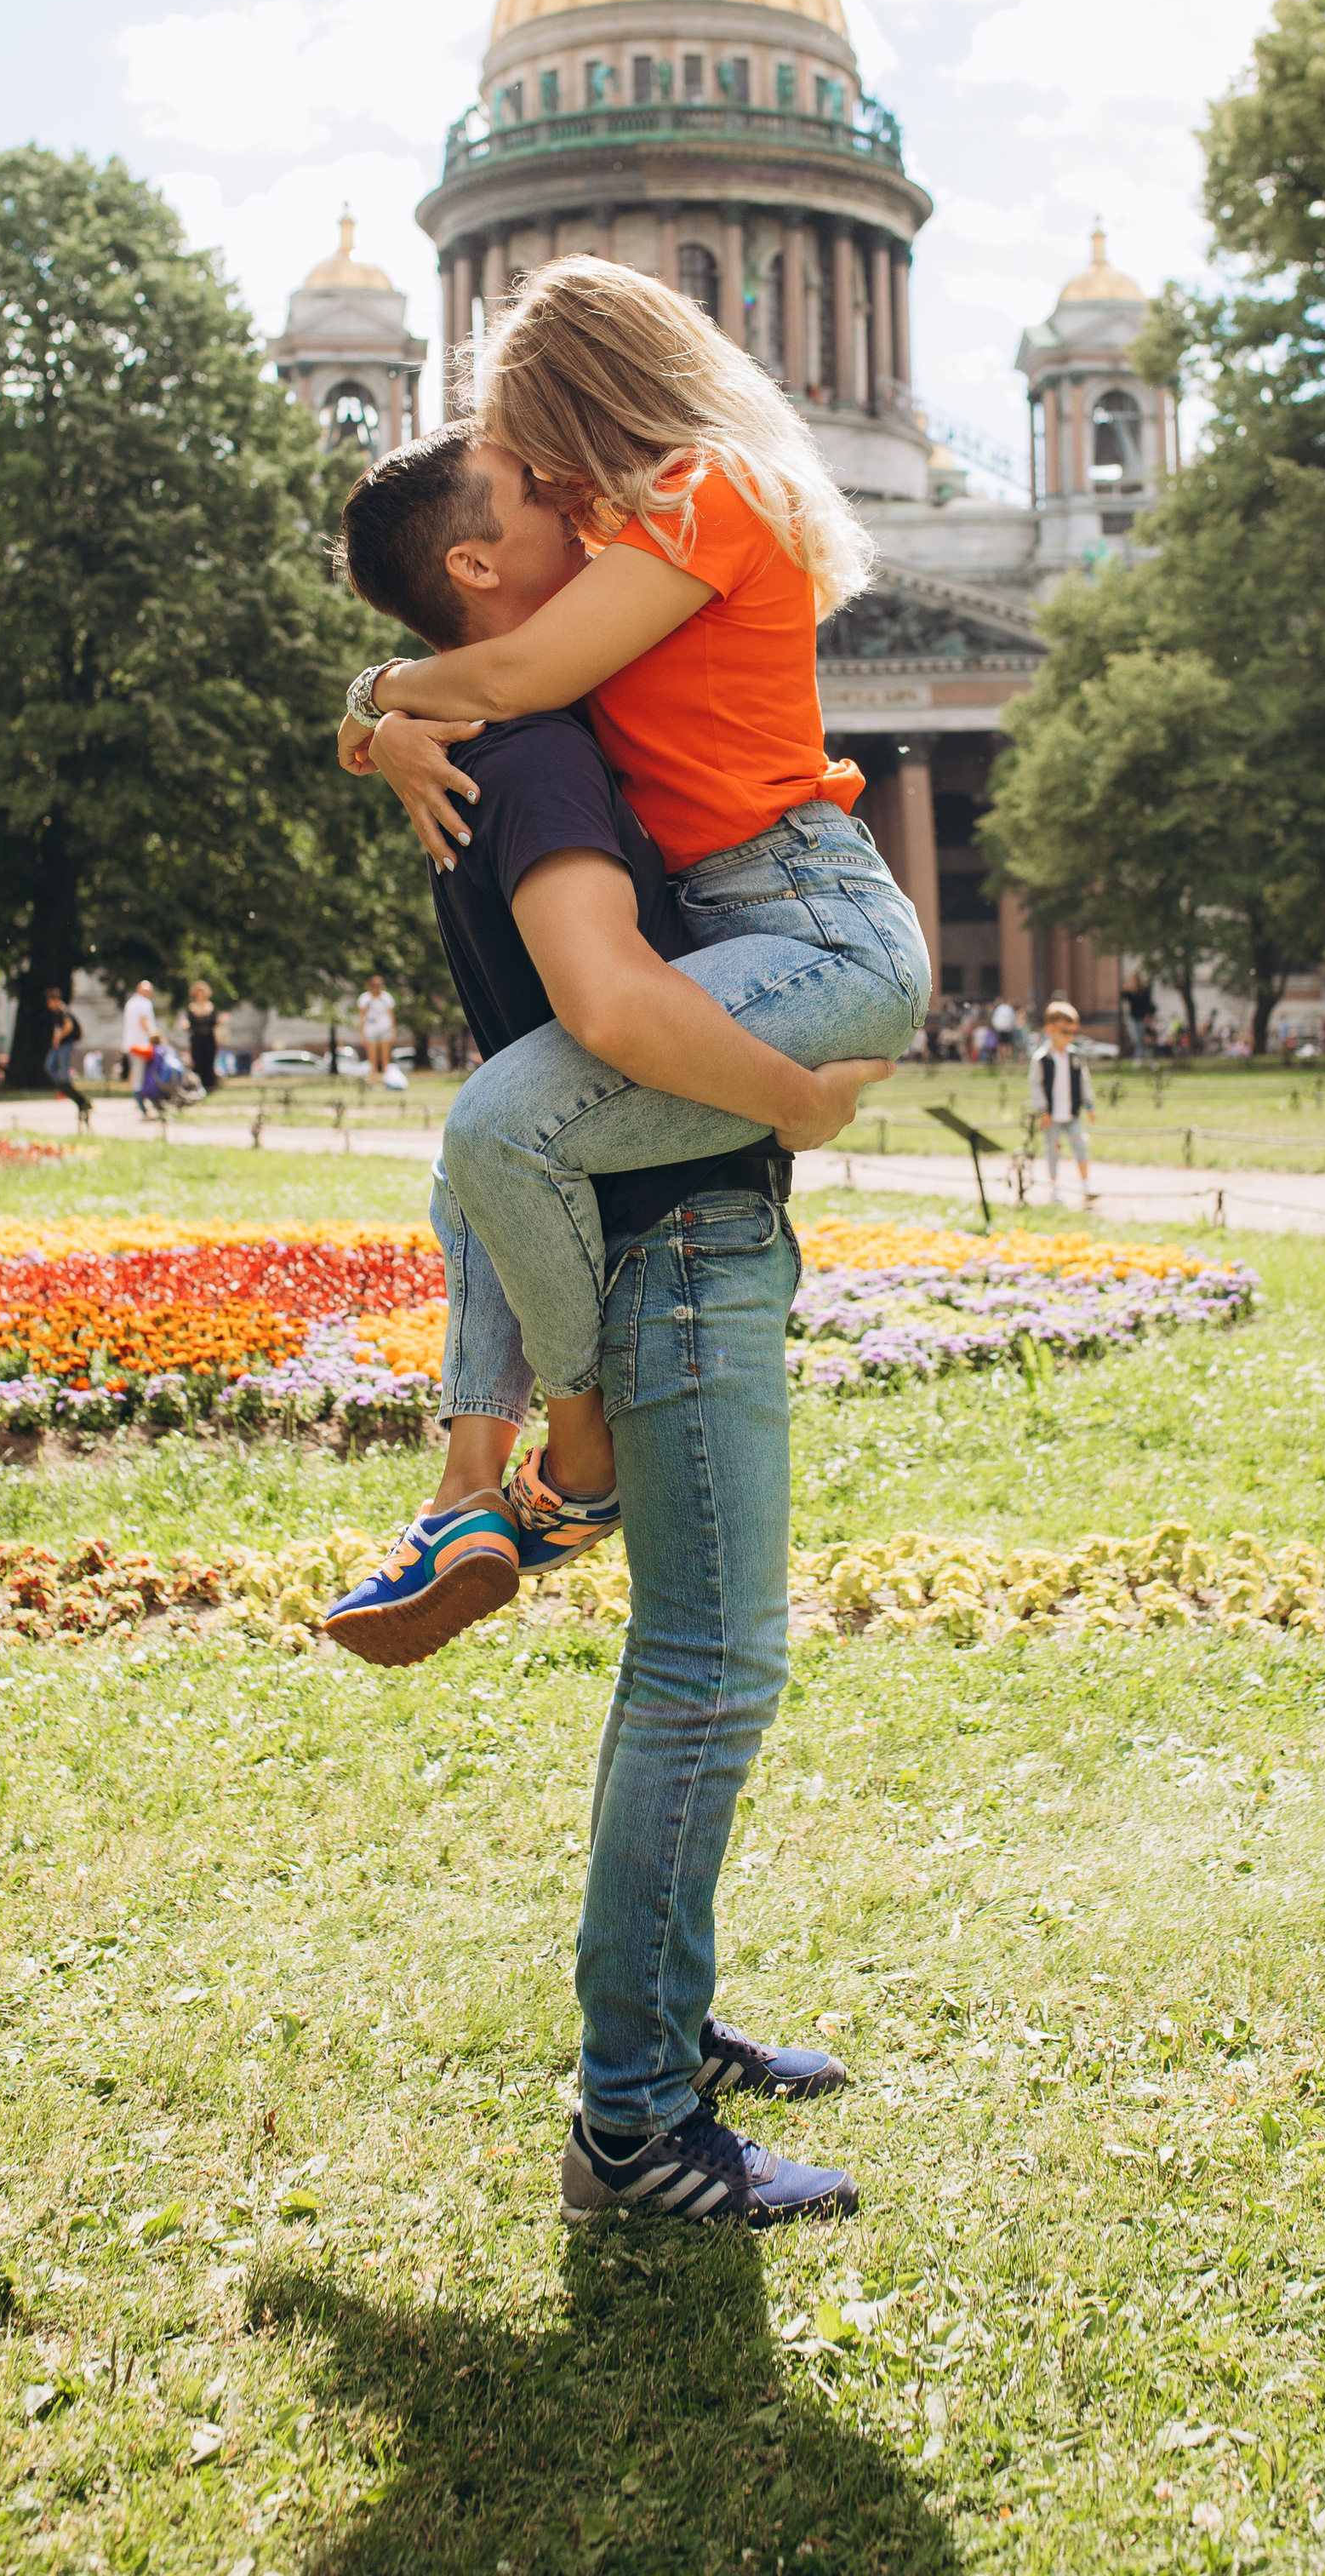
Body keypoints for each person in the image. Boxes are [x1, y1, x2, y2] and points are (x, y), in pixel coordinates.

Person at [321, 442, 859, 2227]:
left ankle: (667, 2030)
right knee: (707, 1677)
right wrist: (797, 1096)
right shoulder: (541, 747)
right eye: (533, 490)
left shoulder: (492, 727)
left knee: (694, 1675)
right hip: (675, 1238)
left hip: (641, 1225)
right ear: (484, 567)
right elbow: (604, 1013)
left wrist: (368, 706)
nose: (579, 500)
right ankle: (631, 2124)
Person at [339, 257, 927, 1522]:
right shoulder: (624, 535)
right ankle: (466, 1492)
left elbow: (504, 675)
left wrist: (378, 697)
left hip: (808, 923)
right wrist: (372, 717)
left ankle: (584, 1455)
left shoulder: (711, 494)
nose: (540, 482)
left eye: (535, 446)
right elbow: (489, 649)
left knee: (501, 1126)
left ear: (585, 399)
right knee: (476, 1154)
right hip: (730, 919)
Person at [1028, 997, 1094, 1204]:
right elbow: (1036, 1085)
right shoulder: (1042, 1058)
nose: (1070, 1037)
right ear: (1050, 1029)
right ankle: (1054, 1188)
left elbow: (1084, 1081)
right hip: (1052, 1114)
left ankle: (1086, 1184)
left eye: (1073, 1032)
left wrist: (1089, 1104)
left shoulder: (1075, 1056)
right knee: (1053, 1149)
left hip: (1071, 1112)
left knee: (1080, 1145)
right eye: (1066, 1032)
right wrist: (1042, 1110)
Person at [44, 986, 90, 1119]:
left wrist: (59, 1037)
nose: (49, 1004)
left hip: (65, 1046)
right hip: (60, 1047)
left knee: (63, 1073)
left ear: (57, 1000)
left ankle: (65, 1087)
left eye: (50, 1001)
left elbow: (68, 1026)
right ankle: (63, 1087)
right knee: (50, 1067)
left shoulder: (63, 1012)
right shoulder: (58, 1013)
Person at [122, 979, 160, 1113]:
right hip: (143, 1045)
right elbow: (144, 1022)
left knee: (136, 1073)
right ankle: (140, 1100)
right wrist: (156, 1036)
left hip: (131, 1044)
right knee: (142, 1074)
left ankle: (138, 1099)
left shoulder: (131, 1003)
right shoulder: (144, 1003)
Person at [357, 971, 397, 1084]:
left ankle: (387, 1082)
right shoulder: (364, 998)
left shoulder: (386, 997)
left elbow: (391, 1016)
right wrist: (362, 1034)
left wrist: (393, 1031)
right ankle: (372, 1082)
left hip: (385, 1030)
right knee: (372, 1059)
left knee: (385, 1059)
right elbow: (362, 1018)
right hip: (371, 1031)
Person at [186, 982, 220, 1096]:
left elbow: (215, 1023)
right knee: (198, 1062)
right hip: (197, 1039)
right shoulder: (191, 1007)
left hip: (209, 1038)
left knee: (209, 1062)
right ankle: (198, 1086)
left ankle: (210, 1086)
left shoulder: (212, 1007)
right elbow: (189, 1024)